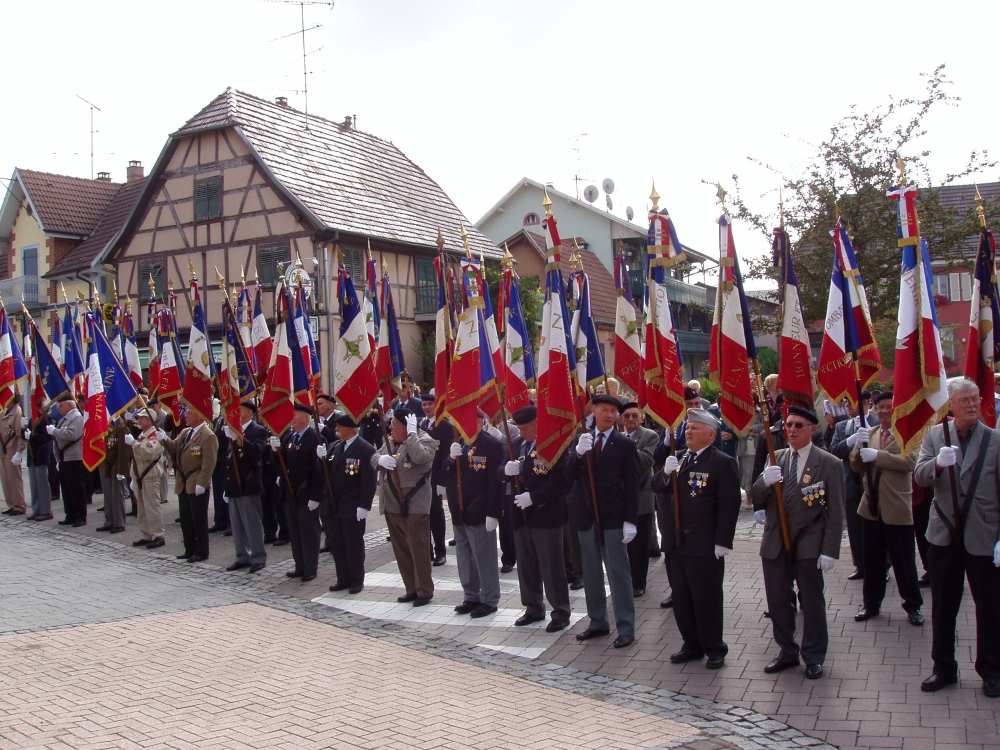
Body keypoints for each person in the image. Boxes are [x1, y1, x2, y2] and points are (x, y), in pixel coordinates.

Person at [914, 379, 1000, 697]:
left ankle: (991, 670)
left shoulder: (994, 440)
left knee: (989, 607)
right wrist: (937, 464)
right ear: (951, 405)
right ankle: (943, 668)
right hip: (944, 534)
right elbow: (919, 476)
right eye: (965, 400)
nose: (972, 404)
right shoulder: (936, 436)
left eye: (975, 399)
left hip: (983, 535)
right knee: (943, 606)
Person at [751, 405, 846, 680]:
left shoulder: (828, 463)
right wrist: (764, 482)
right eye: (789, 425)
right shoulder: (776, 457)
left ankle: (814, 655)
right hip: (776, 541)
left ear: (812, 430)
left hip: (809, 539)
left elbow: (836, 511)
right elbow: (757, 494)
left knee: (812, 602)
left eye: (798, 425)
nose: (791, 430)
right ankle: (787, 651)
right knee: (778, 600)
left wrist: (830, 550)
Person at [655, 408, 741, 669]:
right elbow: (656, 487)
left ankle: (714, 647)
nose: (688, 432)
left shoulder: (722, 462)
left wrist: (723, 541)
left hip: (703, 542)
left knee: (706, 598)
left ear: (711, 434)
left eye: (695, 428)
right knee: (682, 598)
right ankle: (691, 644)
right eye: (688, 428)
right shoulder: (679, 457)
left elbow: (729, 505)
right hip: (676, 541)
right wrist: (665, 473)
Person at [569, 393, 640, 649]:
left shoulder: (624, 444)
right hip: (587, 515)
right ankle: (598, 621)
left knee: (618, 573)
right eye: (604, 410)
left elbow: (632, 485)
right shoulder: (582, 439)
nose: (609, 415)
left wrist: (630, 520)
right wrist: (578, 453)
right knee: (591, 573)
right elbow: (568, 474)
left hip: (613, 517)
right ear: (594, 411)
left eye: (613, 411)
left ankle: (626, 626)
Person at [850, 391, 923, 626]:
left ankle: (913, 605)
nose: (884, 411)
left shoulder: (908, 436)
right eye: (880, 407)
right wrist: (857, 446)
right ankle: (871, 604)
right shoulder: (871, 433)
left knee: (904, 562)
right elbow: (856, 465)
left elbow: (910, 462)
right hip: (871, 506)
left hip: (897, 507)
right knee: (872, 561)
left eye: (889, 407)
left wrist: (878, 455)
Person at [504, 405, 572, 632]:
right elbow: (499, 470)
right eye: (519, 428)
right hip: (520, 515)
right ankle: (533, 607)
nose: (522, 432)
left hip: (546, 514)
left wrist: (533, 498)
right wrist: (505, 470)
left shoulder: (553, 444)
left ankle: (560, 611)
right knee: (526, 565)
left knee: (551, 566)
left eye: (526, 428)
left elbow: (560, 480)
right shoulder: (515, 445)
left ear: (537, 423)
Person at [442, 409, 505, 618]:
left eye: (472, 421)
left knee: (484, 557)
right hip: (459, 510)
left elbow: (496, 481)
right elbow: (445, 472)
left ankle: (489, 599)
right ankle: (471, 595)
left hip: (479, 509)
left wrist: (493, 513)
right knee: (464, 558)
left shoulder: (491, 444)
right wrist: (450, 459)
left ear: (480, 422)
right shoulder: (458, 443)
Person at [372, 408, 437, 605]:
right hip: (392, 504)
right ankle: (411, 588)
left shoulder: (424, 440)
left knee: (418, 549)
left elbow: (420, 458)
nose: (391, 428)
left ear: (407, 426)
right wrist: (380, 460)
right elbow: (374, 457)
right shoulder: (390, 442)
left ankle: (424, 590)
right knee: (402, 550)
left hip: (414, 505)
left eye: (394, 424)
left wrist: (411, 436)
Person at [314, 412, 376, 593]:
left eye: (339, 426)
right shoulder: (334, 446)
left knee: (353, 545)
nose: (336, 429)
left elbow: (368, 481)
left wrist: (364, 505)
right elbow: (323, 473)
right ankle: (343, 578)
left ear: (350, 428)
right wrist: (320, 459)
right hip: (334, 504)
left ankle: (356, 579)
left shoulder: (365, 449)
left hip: (352, 504)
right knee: (337, 544)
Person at [829, 394, 878, 581]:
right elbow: (833, 451)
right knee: (854, 528)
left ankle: (882, 565)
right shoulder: (842, 426)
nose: (846, 406)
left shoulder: (877, 422)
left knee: (876, 528)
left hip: (872, 483)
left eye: (850, 402)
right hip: (851, 482)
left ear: (864, 403)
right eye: (845, 402)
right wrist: (851, 441)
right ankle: (860, 565)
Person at [271, 405, 321, 582]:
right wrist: (275, 451)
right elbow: (282, 462)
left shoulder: (314, 438)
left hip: (306, 492)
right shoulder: (290, 437)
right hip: (290, 492)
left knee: (309, 531)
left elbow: (319, 471)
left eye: (295, 416)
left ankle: (311, 567)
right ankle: (299, 565)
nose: (291, 419)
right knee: (295, 530)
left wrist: (315, 496)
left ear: (305, 419)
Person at [161, 407, 219, 562]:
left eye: (189, 413)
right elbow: (174, 447)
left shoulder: (208, 436)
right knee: (186, 518)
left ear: (199, 416)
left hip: (196, 480)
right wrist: (163, 438)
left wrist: (202, 482)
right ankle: (190, 548)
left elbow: (208, 463)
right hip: (183, 481)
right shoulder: (186, 432)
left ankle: (202, 551)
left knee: (198, 519)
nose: (185, 416)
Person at [223, 402, 268, 574]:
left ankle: (258, 557)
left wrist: (238, 438)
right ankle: (242, 556)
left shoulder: (258, 430)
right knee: (236, 524)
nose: (235, 413)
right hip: (234, 483)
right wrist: (226, 486)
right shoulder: (234, 430)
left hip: (248, 482)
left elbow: (256, 451)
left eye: (239, 410)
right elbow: (228, 459)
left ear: (249, 412)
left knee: (252, 523)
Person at [621, 402, 658, 597]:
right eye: (627, 416)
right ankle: (627, 580)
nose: (631, 419)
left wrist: (626, 449)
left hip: (642, 494)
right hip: (622, 496)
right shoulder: (618, 437)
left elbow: (647, 460)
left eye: (635, 416)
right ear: (621, 419)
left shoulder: (650, 436)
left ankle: (639, 582)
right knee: (625, 544)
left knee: (640, 543)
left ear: (642, 418)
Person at [126, 407, 166, 549]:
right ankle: (147, 534)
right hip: (140, 476)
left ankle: (158, 535)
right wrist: (133, 476)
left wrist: (133, 443)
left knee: (152, 507)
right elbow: (136, 458)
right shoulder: (142, 435)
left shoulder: (156, 435)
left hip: (150, 476)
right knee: (142, 508)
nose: (139, 420)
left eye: (142, 418)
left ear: (150, 420)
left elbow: (149, 453)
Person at [419, 392, 449, 566]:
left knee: (436, 514)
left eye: (430, 404)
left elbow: (445, 457)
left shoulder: (444, 426)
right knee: (422, 515)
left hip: (435, 477)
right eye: (424, 405)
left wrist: (442, 481)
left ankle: (440, 551)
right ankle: (427, 550)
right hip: (420, 478)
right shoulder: (420, 424)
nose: (427, 407)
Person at [47, 394, 86, 526]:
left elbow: (72, 434)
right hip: (64, 457)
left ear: (70, 405)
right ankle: (70, 514)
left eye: (61, 406)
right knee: (67, 488)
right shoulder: (64, 419)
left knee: (76, 488)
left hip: (74, 457)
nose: (59, 408)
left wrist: (55, 431)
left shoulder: (76, 417)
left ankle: (80, 516)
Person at [97, 417, 129, 533]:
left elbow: (123, 451)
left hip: (117, 464)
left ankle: (119, 522)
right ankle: (109, 521)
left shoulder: (121, 427)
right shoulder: (107, 425)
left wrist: (121, 470)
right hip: (108, 463)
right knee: (108, 495)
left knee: (116, 495)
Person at [24, 413, 53, 521]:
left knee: (42, 484)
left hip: (40, 453)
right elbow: (25, 436)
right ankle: (36, 509)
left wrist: (32, 436)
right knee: (34, 485)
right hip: (32, 455)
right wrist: (23, 429)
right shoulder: (32, 420)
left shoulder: (45, 419)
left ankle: (46, 511)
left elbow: (47, 437)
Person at [0, 401, 27, 516]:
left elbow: (21, 434)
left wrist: (19, 451)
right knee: (6, 480)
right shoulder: (3, 412)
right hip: (3, 450)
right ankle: (11, 505)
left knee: (14, 479)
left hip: (12, 450)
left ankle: (19, 505)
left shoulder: (17, 412)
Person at [209, 409, 230, 534]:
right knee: (218, 493)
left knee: (227, 493)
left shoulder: (232, 418)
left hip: (226, 460)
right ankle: (220, 521)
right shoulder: (217, 420)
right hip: (216, 461)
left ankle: (230, 522)